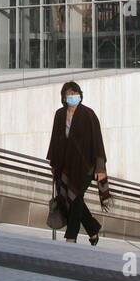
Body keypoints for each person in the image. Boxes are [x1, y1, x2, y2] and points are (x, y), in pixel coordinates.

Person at [45, 81, 108, 245]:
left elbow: (97, 141)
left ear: (80, 95)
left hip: (85, 166)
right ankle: (93, 229)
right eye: (69, 94)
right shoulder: (59, 114)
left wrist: (100, 167)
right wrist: (53, 164)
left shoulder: (88, 114)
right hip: (65, 165)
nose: (72, 97)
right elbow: (55, 140)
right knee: (75, 198)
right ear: (64, 97)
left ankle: (71, 237)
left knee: (76, 197)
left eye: (75, 93)